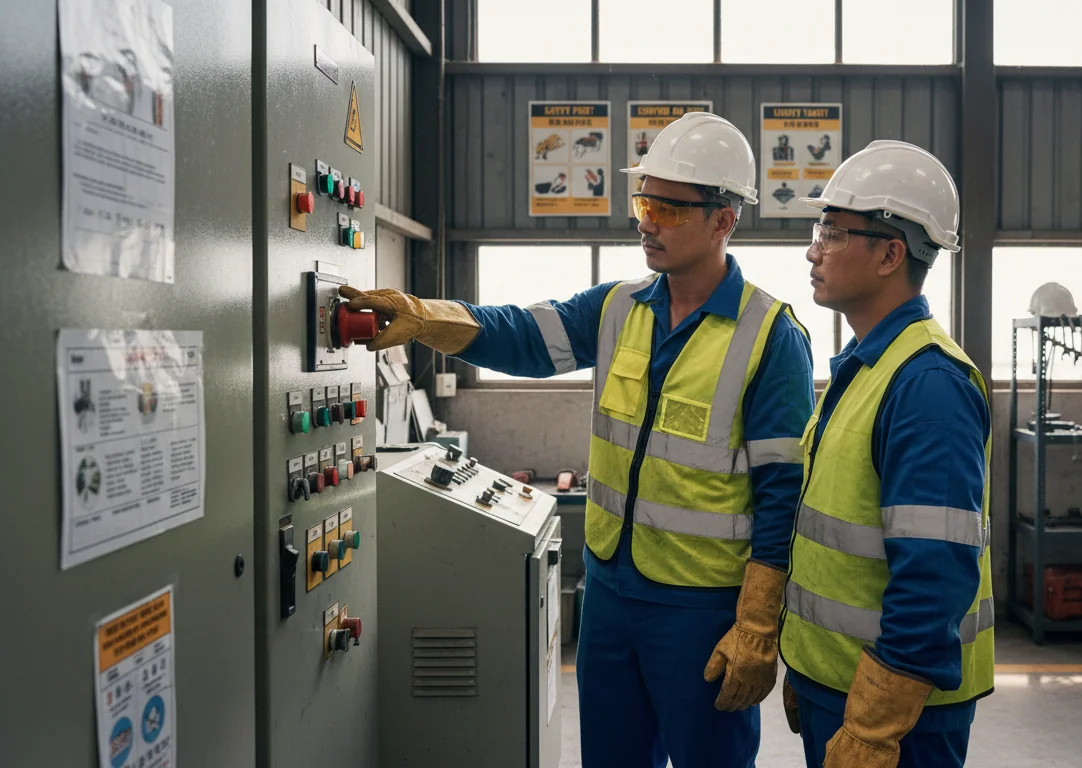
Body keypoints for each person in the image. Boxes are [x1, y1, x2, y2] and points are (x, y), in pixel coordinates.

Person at [339, 112, 815, 768]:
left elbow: (783, 495)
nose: (648, 222)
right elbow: (522, 334)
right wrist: (424, 318)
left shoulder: (772, 338)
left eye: (670, 209)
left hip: (701, 611)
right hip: (611, 596)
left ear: (724, 219)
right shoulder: (619, 307)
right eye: (644, 202)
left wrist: (759, 624)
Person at [777, 140, 995, 768]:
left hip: (901, 715)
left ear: (890, 254)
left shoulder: (928, 386)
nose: (813, 249)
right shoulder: (866, 365)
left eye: (833, 231)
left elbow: (934, 571)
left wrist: (876, 723)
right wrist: (810, 664)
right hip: (841, 686)